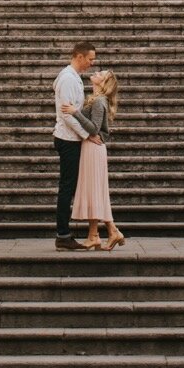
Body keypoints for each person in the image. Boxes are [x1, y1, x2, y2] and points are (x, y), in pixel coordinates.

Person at [72, 71, 124, 251]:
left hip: (93, 148)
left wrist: (74, 113)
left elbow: (94, 128)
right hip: (91, 148)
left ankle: (100, 234)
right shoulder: (96, 99)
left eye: (100, 73)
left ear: (104, 82)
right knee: (93, 192)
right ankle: (103, 233)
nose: (96, 72)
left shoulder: (99, 101)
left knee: (94, 191)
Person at [53, 41, 96, 250]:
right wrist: (86, 135)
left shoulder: (74, 78)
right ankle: (62, 234)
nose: (91, 63)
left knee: (69, 186)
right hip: (68, 139)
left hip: (72, 138)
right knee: (67, 186)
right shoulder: (68, 79)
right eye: (90, 59)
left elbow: (74, 111)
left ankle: (64, 232)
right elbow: (66, 114)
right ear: (79, 57)